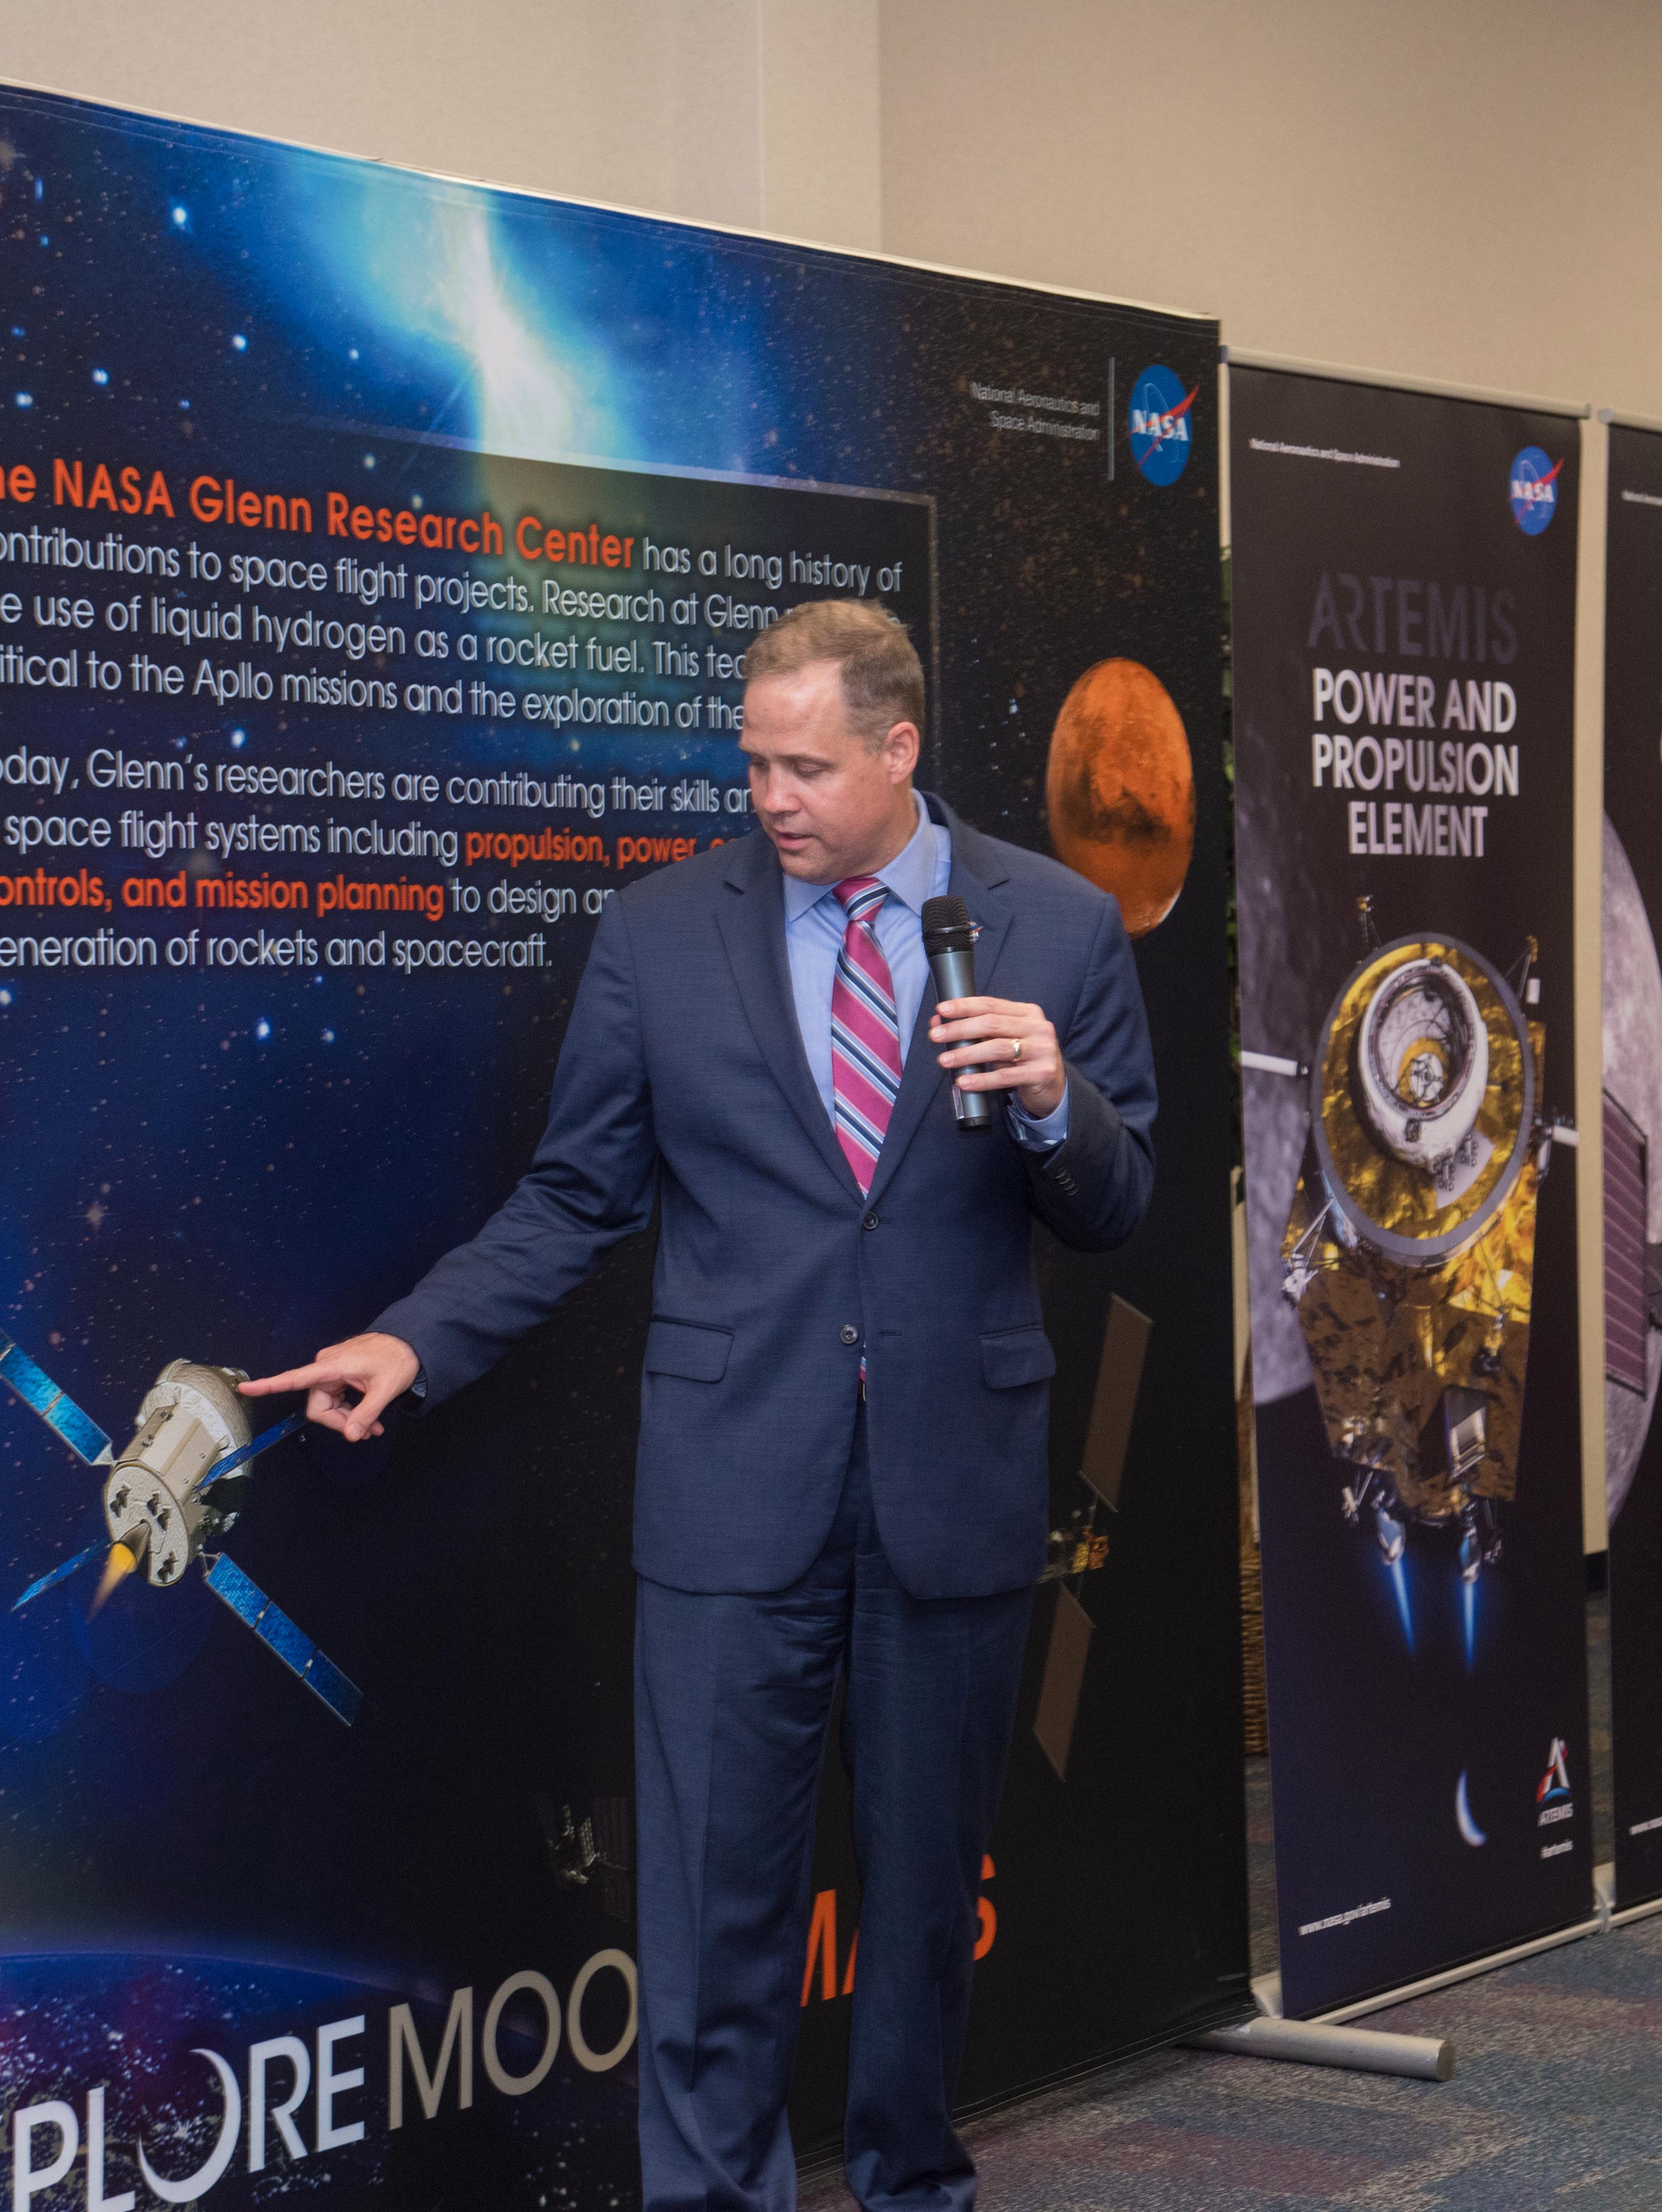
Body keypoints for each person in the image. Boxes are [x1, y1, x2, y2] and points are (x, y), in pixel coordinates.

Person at [244, 598, 1157, 2211]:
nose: (772, 798)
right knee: (712, 1912)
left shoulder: (1061, 928)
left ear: (901, 750)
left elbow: (1118, 1201)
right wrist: (416, 1341)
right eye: (753, 764)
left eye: (807, 766)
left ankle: (909, 2183)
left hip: (953, 1489)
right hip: (736, 1492)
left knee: (929, 1901)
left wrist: (1055, 1105)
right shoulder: (663, 936)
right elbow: (573, 1198)